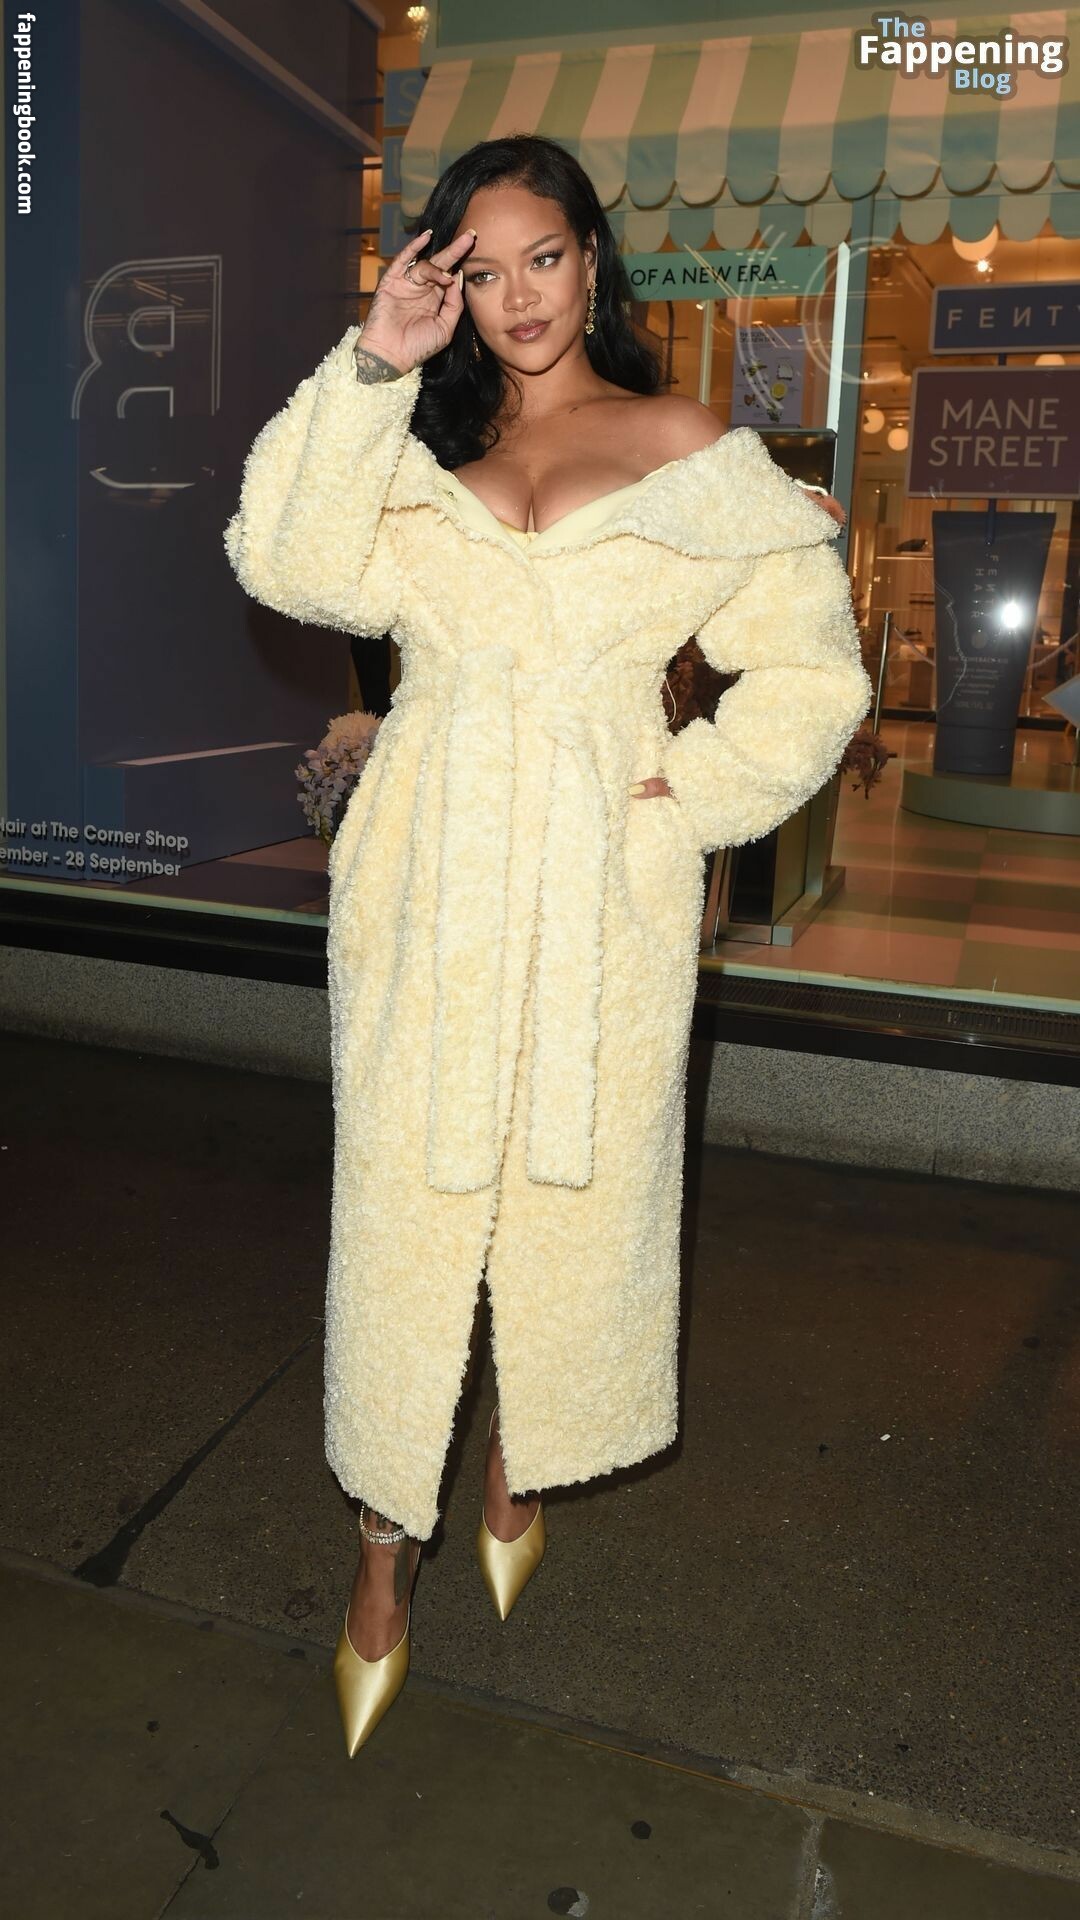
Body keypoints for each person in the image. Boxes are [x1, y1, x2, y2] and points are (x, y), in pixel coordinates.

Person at [223, 134, 872, 1758]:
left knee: (570, 1191)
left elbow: (811, 675)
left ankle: (523, 1445)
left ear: (593, 258)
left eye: (544, 257)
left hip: (601, 885)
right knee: (402, 1208)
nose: (517, 297)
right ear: (444, 280)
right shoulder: (406, 452)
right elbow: (283, 558)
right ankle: (384, 1548)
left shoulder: (687, 448)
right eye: (479, 267)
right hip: (424, 879)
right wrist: (376, 361)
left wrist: (694, 795)